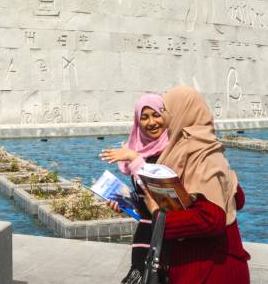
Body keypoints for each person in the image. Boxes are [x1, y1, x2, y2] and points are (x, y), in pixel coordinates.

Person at [152, 85, 250, 284]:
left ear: (182, 113)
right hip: (201, 266)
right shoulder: (202, 149)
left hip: (211, 271)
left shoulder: (202, 155)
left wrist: (160, 218)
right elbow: (236, 199)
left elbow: (212, 218)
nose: (163, 117)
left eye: (166, 111)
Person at [99, 93, 170, 284]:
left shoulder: (172, 151)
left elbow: (164, 195)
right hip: (144, 237)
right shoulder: (142, 153)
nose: (151, 122)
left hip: (167, 238)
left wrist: (133, 159)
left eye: (156, 114)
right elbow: (146, 200)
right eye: (144, 117)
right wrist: (125, 203)